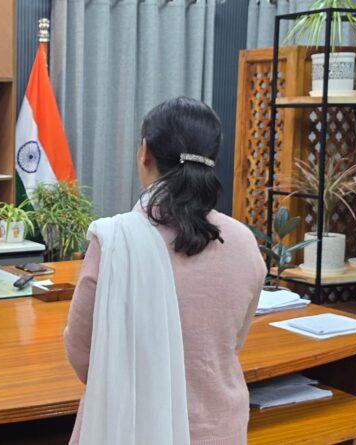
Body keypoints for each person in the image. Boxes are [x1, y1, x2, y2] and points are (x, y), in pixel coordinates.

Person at [64, 97, 266, 444]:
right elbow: (232, 343)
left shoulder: (114, 241)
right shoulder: (244, 241)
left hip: (130, 429)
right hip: (220, 429)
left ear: (145, 152)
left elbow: (81, 351)